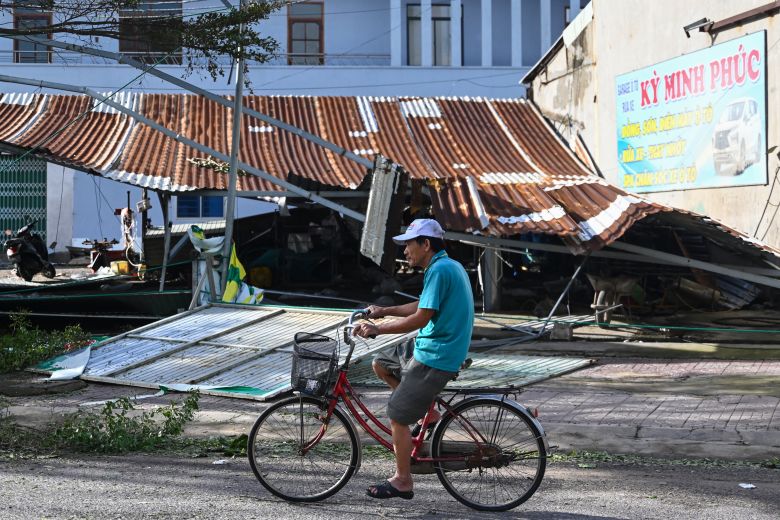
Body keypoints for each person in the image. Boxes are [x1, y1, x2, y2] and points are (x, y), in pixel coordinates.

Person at [353, 218, 474, 500]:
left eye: (409, 244)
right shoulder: (444, 266)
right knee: (381, 363)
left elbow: (420, 318)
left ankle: (403, 480)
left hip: (437, 354)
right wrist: (384, 310)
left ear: (426, 244)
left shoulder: (441, 270)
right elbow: (422, 304)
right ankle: (428, 414)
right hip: (434, 345)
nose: (405, 251)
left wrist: (377, 328)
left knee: (396, 416)